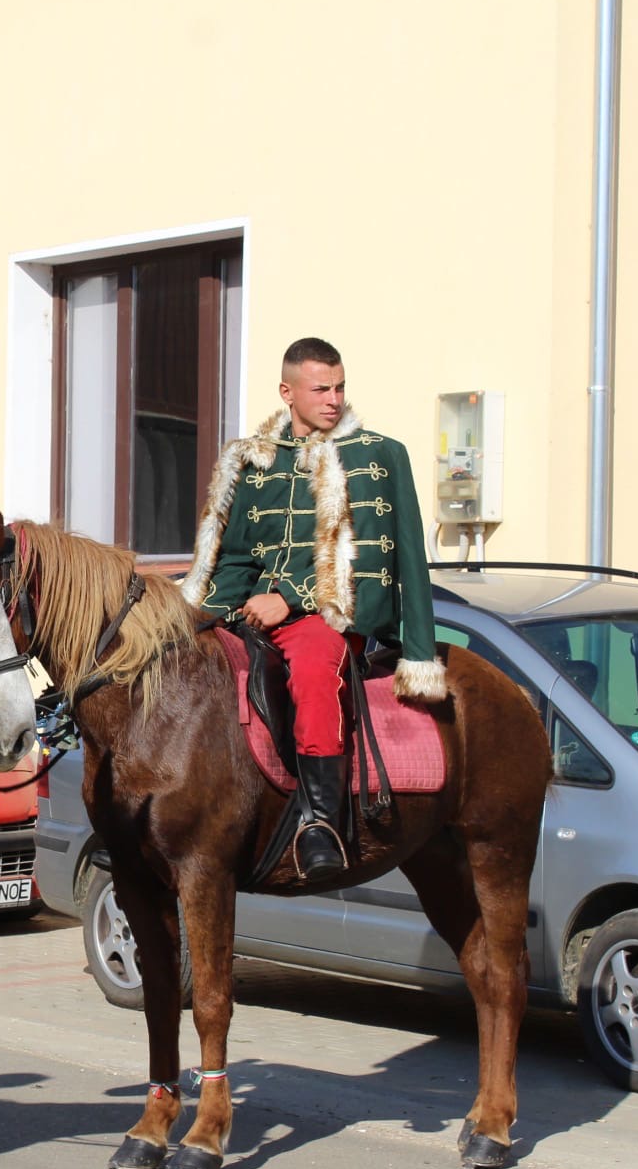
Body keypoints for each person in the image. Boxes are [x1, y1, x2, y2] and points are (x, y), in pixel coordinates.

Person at [178, 337, 445, 880]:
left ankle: (321, 822)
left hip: (327, 617)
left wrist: (290, 599)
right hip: (251, 611)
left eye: (340, 387)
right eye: (321, 389)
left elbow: (387, 556)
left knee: (315, 672)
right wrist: (196, 615)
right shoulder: (252, 459)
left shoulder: (378, 455)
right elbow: (235, 558)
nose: (334, 399)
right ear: (288, 392)